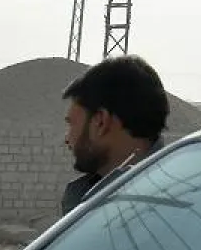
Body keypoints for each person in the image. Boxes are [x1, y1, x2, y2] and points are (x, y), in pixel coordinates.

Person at [61, 55, 169, 216]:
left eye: (72, 124)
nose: (67, 139)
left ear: (101, 122)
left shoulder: (171, 203)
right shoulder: (84, 194)